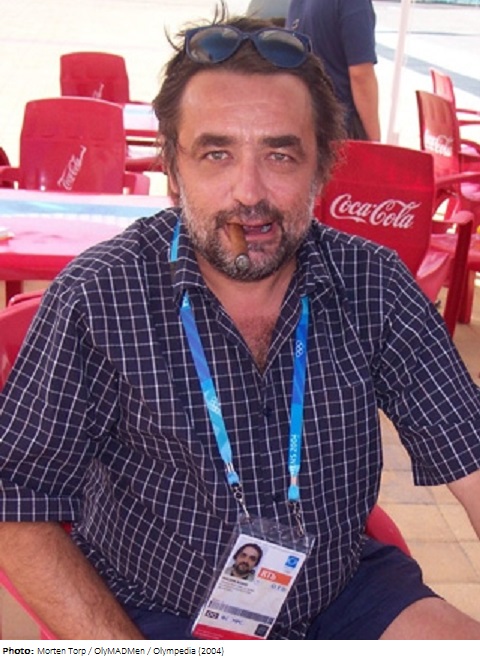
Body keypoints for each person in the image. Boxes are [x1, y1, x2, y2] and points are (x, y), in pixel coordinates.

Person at [0, 2, 480, 641]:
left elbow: (471, 454)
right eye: (216, 155)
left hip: (340, 590)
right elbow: (17, 505)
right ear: (172, 170)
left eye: (280, 156)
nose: (249, 193)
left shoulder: (375, 284)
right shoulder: (98, 297)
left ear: (322, 167)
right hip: (154, 605)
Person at [287, 0, 381, 141]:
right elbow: (360, 75)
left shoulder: (297, 4)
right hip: (340, 128)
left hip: (304, 122)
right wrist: (375, 140)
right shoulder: (354, 4)